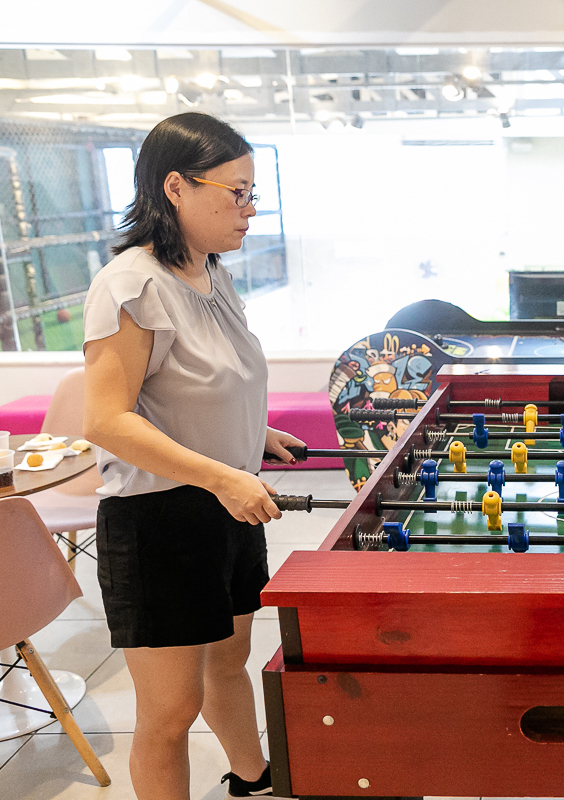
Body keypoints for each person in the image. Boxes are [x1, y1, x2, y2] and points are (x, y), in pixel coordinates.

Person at [82, 112, 303, 800]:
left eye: (252, 194)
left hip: (227, 501)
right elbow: (108, 419)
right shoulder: (131, 285)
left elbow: (203, 381)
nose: (248, 210)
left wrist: (249, 434)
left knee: (229, 659)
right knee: (169, 712)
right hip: (162, 521)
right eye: (235, 193)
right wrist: (221, 472)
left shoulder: (210, 273)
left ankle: (252, 775)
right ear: (176, 187)